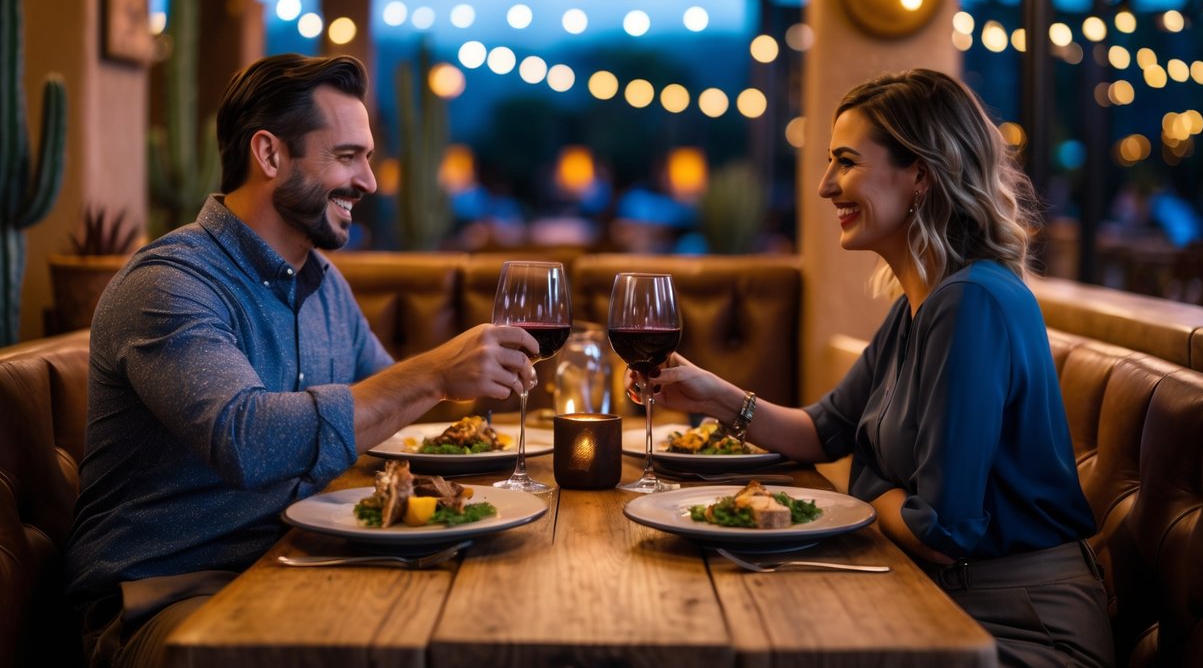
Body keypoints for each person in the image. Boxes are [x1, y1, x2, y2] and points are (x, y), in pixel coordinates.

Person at [65, 54, 539, 668]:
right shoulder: (171, 283)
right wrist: (433, 373)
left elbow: (383, 411)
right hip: (168, 598)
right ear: (269, 155)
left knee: (489, 612)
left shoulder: (322, 284)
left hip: (300, 560)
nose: (368, 181)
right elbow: (246, 438)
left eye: (367, 157)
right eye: (347, 157)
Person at [650, 69, 1115, 667]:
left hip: (1023, 628)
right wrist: (711, 395)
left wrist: (864, 490)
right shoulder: (919, 305)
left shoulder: (969, 304)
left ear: (921, 173)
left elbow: (941, 535)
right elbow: (824, 431)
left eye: (846, 162)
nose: (824, 186)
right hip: (939, 601)